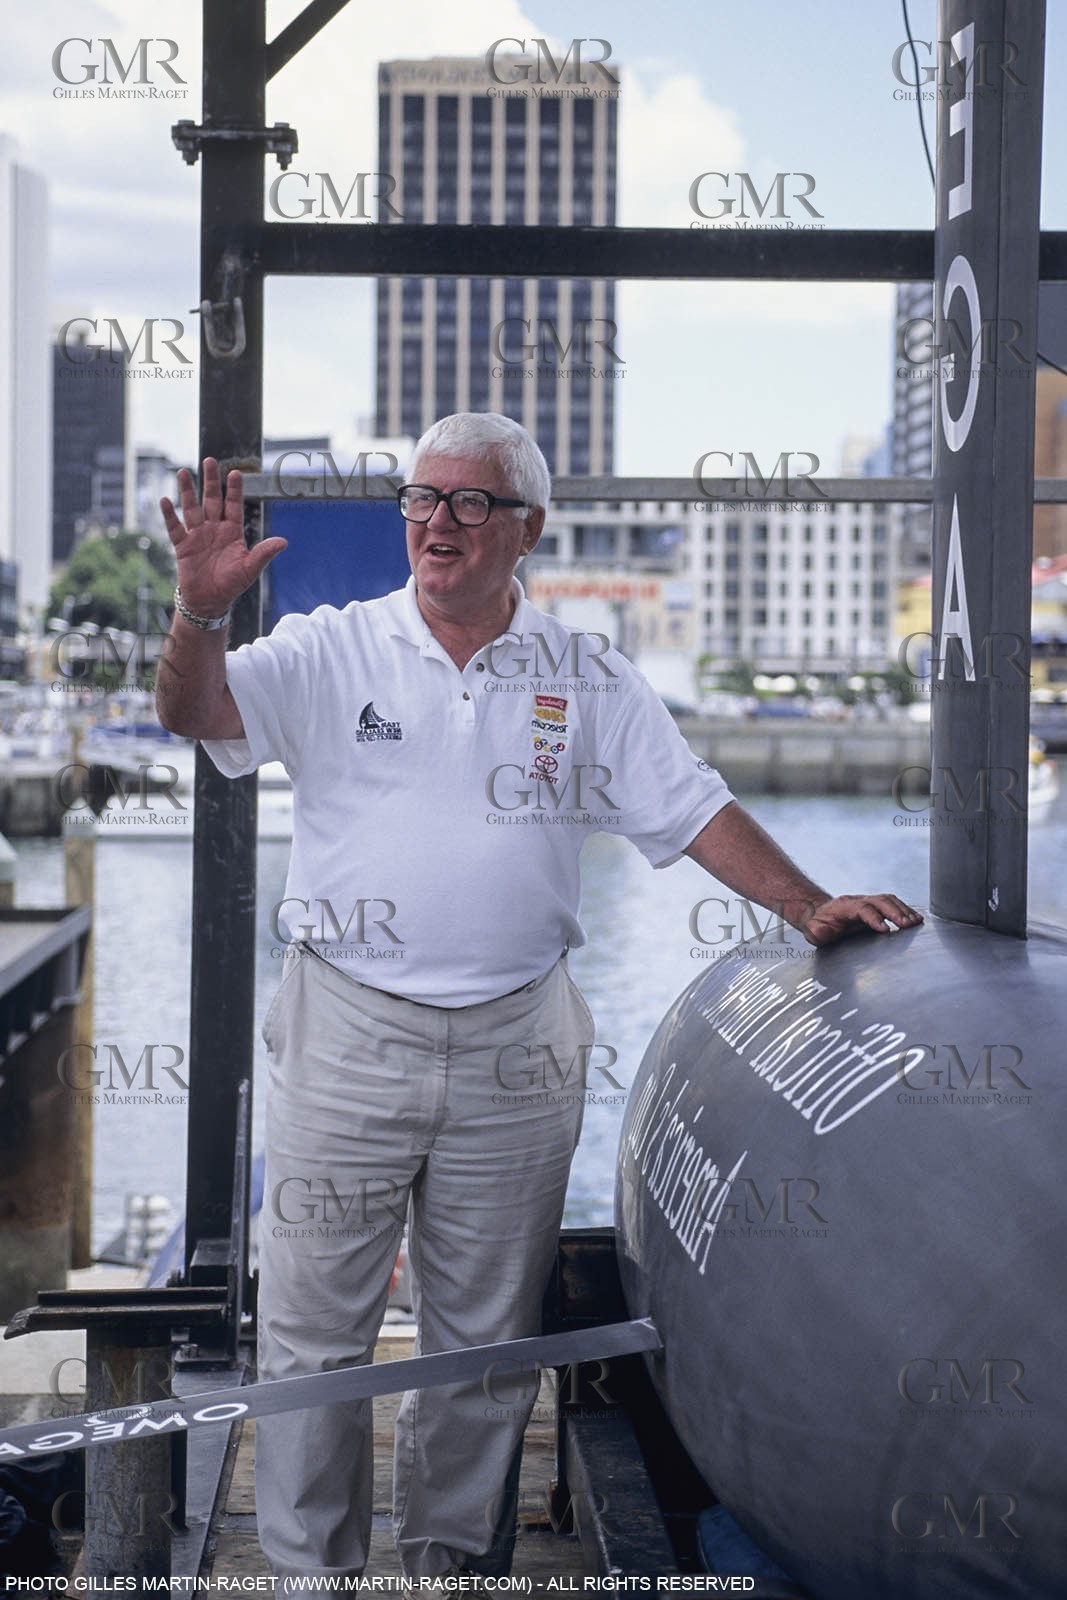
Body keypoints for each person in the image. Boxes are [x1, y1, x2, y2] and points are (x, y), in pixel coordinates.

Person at [156, 412, 922, 1588]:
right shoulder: (329, 649)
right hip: (344, 1027)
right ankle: (311, 1575)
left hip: (520, 1036)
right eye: (421, 498)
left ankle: (450, 1564)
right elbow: (195, 714)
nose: (437, 523)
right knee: (313, 1331)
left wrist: (804, 905)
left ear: (529, 530)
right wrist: (202, 610)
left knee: (481, 1344)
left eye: (470, 503)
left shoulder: (586, 673)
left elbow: (692, 808)